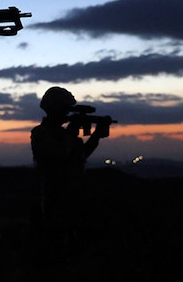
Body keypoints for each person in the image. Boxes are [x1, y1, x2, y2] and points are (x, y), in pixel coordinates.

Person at [30, 86, 110, 264]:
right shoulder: (41, 133)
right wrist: (71, 133)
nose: (66, 113)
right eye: (63, 109)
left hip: (73, 195)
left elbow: (80, 157)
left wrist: (96, 136)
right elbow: (60, 154)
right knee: (55, 248)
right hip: (54, 196)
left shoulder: (65, 135)